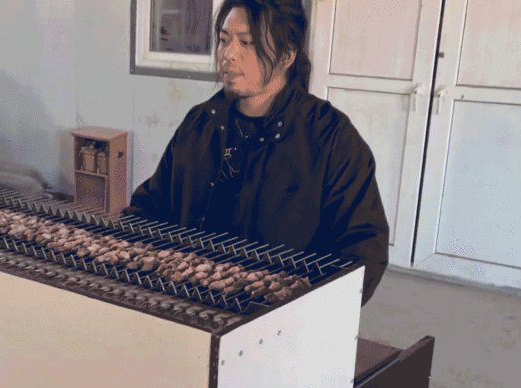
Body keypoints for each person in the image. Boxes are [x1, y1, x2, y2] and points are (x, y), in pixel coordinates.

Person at [124, 0, 389, 306]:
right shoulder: (200, 124)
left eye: (246, 42)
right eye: (224, 39)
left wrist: (308, 312)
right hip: (189, 304)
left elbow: (363, 249)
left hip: (274, 318)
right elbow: (151, 205)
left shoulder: (330, 138)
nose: (228, 54)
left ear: (286, 56)